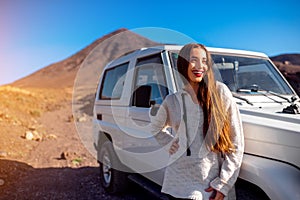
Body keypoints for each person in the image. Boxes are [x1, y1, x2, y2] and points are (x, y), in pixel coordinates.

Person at [149, 43, 244, 200]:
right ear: (183, 64)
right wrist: (168, 143)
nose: (200, 66)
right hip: (177, 182)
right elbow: (155, 127)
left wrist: (223, 184)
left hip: (209, 184)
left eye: (204, 61)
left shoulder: (220, 92)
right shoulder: (173, 100)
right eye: (193, 60)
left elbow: (236, 143)